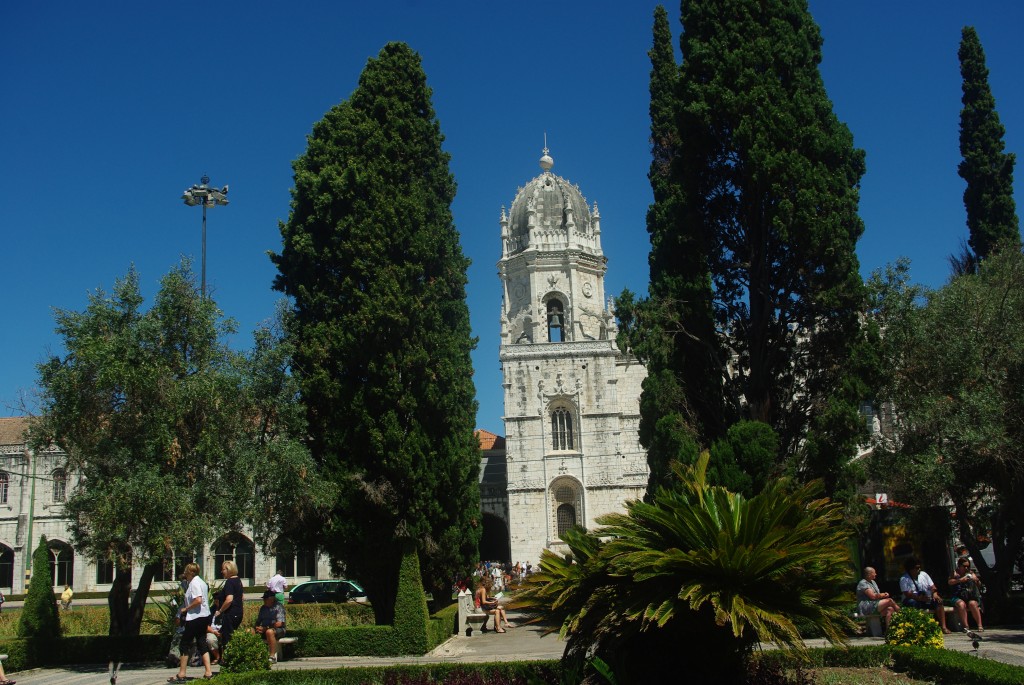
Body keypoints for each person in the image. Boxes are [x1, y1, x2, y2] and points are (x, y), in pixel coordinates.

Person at [169, 562, 214, 682]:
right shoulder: (202, 582)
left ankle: (182, 674)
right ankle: (208, 672)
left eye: (186, 572)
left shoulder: (194, 583)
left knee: (184, 644)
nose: (185, 574)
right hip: (204, 616)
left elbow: (198, 600)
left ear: (191, 572)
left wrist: (186, 609)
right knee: (201, 642)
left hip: (195, 617)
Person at [899, 557, 951, 634]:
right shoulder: (904, 579)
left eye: (920, 567)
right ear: (911, 569)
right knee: (911, 602)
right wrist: (920, 598)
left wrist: (935, 594)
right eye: (917, 568)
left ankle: (943, 627)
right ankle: (917, 628)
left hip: (927, 597)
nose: (919, 569)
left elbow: (933, 587)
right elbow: (907, 594)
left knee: (939, 602)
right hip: (914, 599)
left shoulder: (924, 574)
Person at [214, 560, 245, 650]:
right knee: (233, 634)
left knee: (228, 636)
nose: (222, 572)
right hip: (238, 612)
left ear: (229, 570)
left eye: (223, 569)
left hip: (231, 613)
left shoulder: (230, 582)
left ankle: (228, 656)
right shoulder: (238, 580)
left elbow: (229, 599)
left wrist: (220, 611)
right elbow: (242, 597)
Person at [856, 566, 898, 631]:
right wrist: (884, 594)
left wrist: (881, 596)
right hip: (866, 607)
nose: (876, 574)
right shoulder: (863, 583)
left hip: (874, 605)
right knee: (889, 601)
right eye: (874, 573)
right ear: (869, 574)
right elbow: (873, 596)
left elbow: (877, 595)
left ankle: (889, 632)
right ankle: (902, 613)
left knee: (890, 609)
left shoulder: (873, 582)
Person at [949, 557, 984, 632]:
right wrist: (960, 580)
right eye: (964, 566)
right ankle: (966, 626)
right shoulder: (955, 573)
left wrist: (976, 580)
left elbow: (979, 584)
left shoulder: (970, 573)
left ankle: (979, 625)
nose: (966, 568)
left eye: (968, 566)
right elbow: (950, 582)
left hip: (969, 596)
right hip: (957, 596)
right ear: (959, 565)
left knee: (973, 604)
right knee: (961, 604)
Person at [252, 589, 286, 662]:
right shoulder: (263, 608)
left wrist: (266, 628)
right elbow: (258, 621)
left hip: (278, 630)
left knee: (269, 632)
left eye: (265, 599)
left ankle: (272, 656)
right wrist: (257, 627)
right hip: (264, 629)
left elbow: (280, 623)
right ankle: (252, 655)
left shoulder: (278, 607)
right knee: (250, 631)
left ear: (271, 599)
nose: (264, 600)